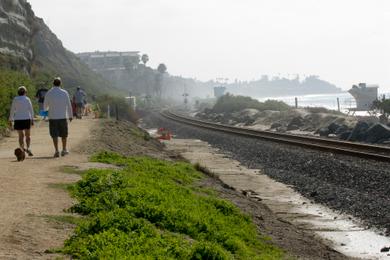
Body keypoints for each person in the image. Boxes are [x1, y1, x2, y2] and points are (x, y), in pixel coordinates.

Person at [43, 77, 73, 158]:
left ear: (53, 83)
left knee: (54, 134)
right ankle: (64, 150)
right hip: (63, 116)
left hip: (52, 117)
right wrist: (70, 115)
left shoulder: (49, 93)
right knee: (64, 134)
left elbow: (45, 106)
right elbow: (69, 105)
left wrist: (45, 112)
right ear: (60, 84)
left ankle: (56, 150)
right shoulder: (65, 93)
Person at [9, 86, 34, 157]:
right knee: (27, 135)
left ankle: (22, 149)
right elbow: (31, 110)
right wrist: (32, 119)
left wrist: (10, 119)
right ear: (25, 92)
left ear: (18, 92)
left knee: (21, 136)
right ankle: (28, 148)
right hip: (26, 119)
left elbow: (12, 110)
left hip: (18, 119)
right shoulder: (27, 99)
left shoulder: (15, 99)